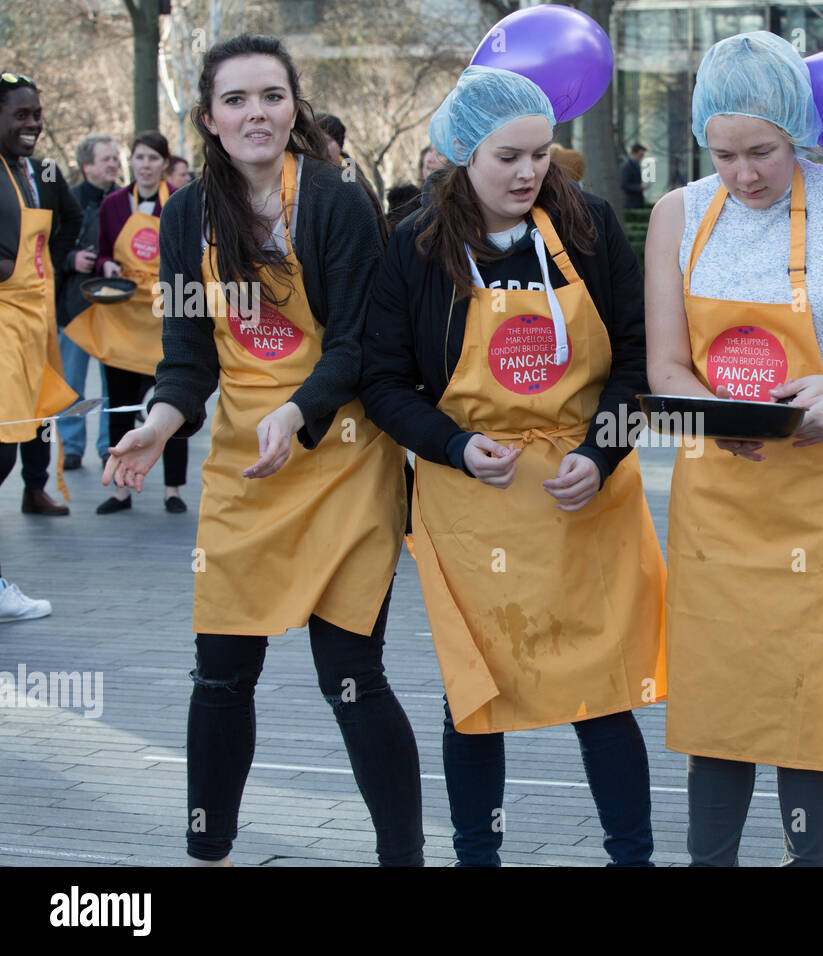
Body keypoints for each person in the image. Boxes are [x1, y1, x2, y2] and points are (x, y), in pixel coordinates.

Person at [103, 33, 423, 867]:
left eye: (272, 97)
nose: (257, 113)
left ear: (295, 107)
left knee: (351, 675)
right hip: (246, 467)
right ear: (208, 118)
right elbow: (186, 358)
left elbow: (359, 345)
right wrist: (160, 424)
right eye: (236, 100)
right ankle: (208, 851)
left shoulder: (334, 199)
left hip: (346, 457)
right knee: (220, 676)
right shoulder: (185, 215)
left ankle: (405, 857)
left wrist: (298, 410)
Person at [360, 65, 666, 867]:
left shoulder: (590, 227)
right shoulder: (417, 246)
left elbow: (635, 359)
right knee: (476, 696)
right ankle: (476, 856)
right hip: (472, 504)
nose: (529, 171)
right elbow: (383, 381)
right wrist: (454, 445)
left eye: (540, 153)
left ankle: (631, 857)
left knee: (600, 696)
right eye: (508, 157)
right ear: (464, 152)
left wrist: (600, 453)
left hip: (583, 499)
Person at [643, 31, 823, 866]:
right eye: (723, 154)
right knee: (720, 694)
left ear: (797, 130)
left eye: (762, 151)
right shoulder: (676, 215)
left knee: (815, 694)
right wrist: (716, 416)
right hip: (719, 497)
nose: (744, 174)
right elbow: (664, 363)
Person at [68, 130, 189, 514]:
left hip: (165, 322)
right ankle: (120, 489)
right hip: (123, 320)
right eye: (139, 158)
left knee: (173, 403)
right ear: (131, 163)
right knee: (120, 405)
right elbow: (104, 252)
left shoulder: (183, 202)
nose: (146, 165)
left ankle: (173, 489)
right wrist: (105, 265)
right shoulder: (114, 204)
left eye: (154, 159)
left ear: (164, 164)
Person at [0, 71, 80, 619]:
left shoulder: (37, 172)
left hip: (33, 327)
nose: (32, 124)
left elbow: (69, 224)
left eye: (36, 113)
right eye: (20, 114)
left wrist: (52, 266)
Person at [57, 134, 118, 471]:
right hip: (75, 307)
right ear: (87, 166)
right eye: (105, 158)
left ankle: (110, 446)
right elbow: (49, 248)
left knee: (113, 384)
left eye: (114, 158)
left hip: (115, 309)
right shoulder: (68, 200)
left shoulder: (127, 200)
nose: (113, 164)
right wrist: (71, 259)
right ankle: (71, 447)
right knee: (71, 385)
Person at [317, 113, 387, 242]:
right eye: (316, 140)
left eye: (327, 141)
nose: (321, 147)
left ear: (339, 144)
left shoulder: (351, 172)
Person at [620, 142, 647, 209]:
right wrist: (639, 187)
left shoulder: (635, 165)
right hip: (631, 202)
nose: (641, 158)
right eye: (640, 155)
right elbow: (624, 185)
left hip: (637, 201)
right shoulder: (627, 166)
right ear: (634, 153)